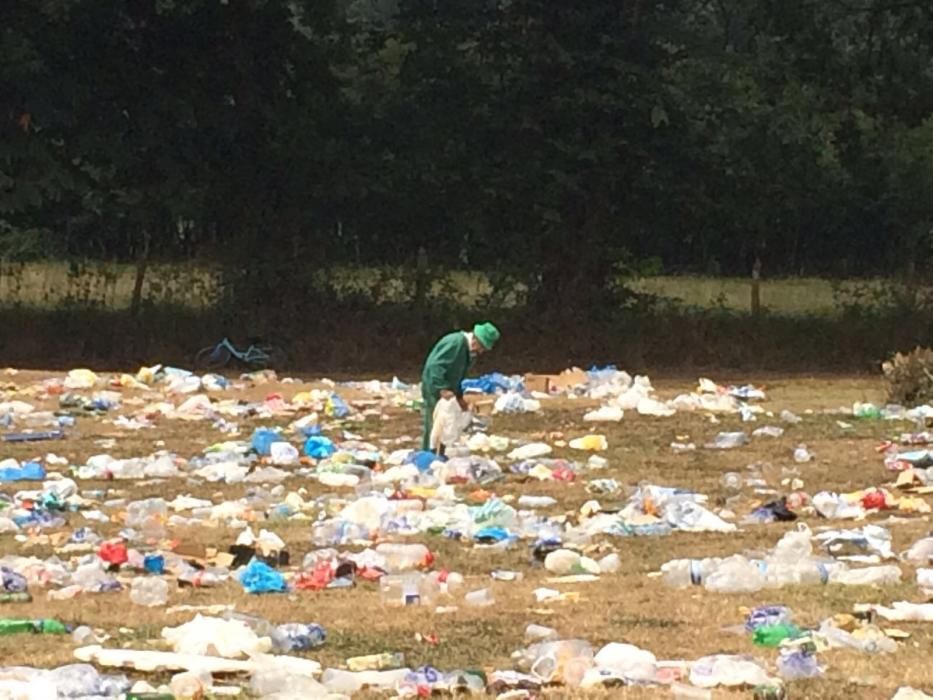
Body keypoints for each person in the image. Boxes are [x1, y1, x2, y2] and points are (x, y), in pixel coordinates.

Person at [421, 322, 500, 452]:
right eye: (481, 347)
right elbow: (435, 366)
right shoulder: (455, 343)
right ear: (475, 340)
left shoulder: (468, 352)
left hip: (448, 389)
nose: (480, 351)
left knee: (448, 424)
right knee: (435, 424)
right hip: (435, 386)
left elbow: (458, 375)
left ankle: (441, 453)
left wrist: (458, 396)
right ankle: (429, 454)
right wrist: (442, 388)